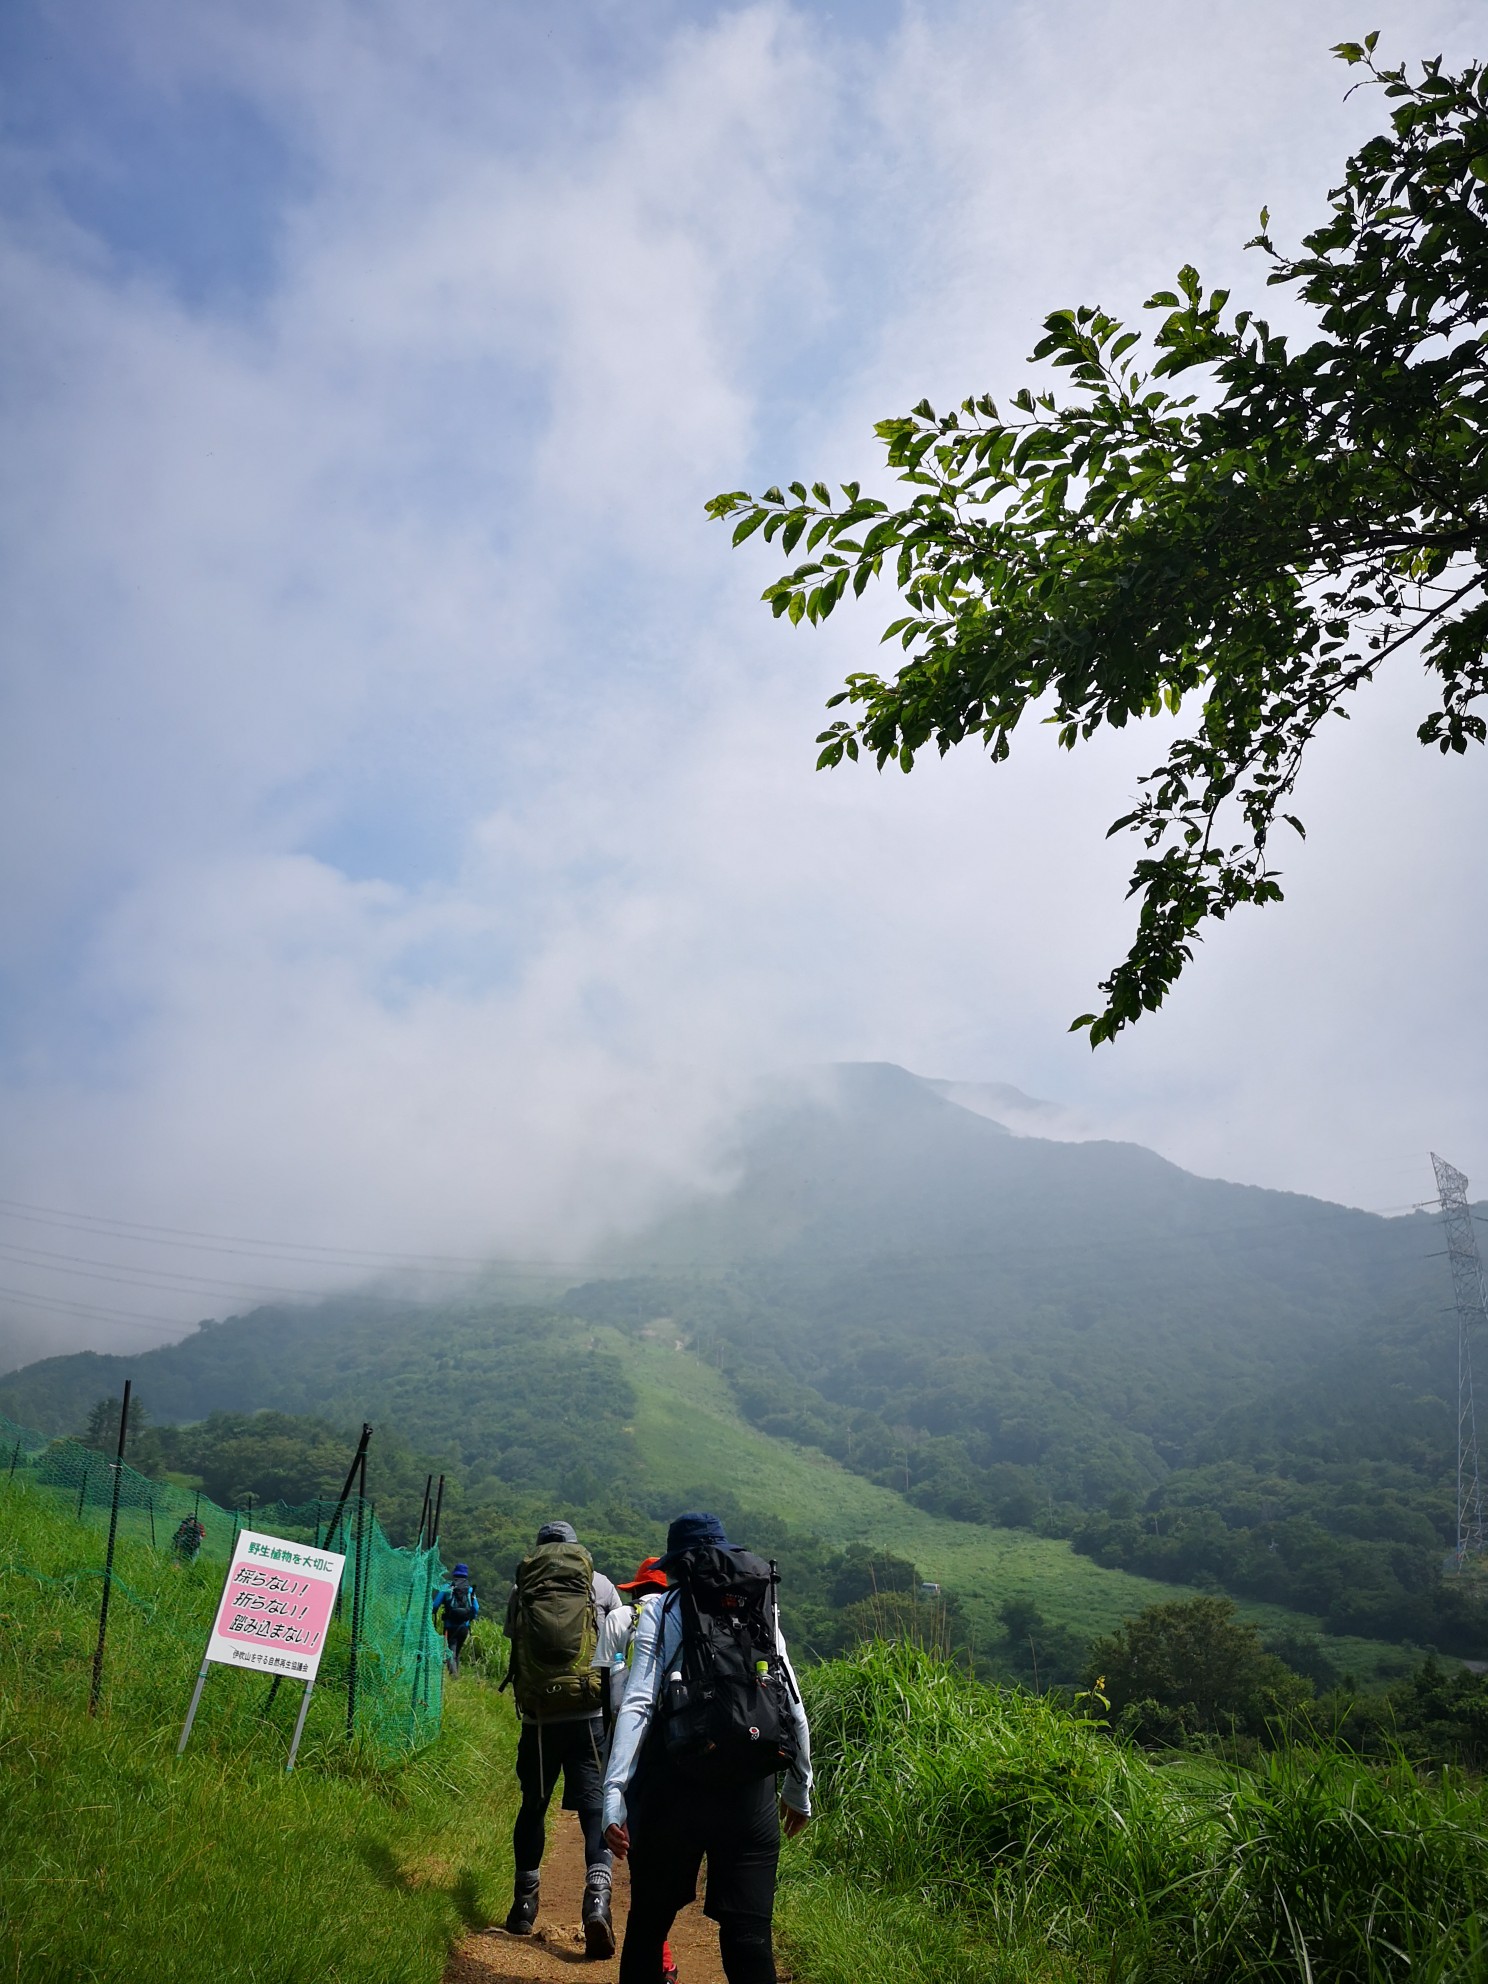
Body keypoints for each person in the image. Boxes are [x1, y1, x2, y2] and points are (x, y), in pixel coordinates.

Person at [604, 1513, 812, 1984]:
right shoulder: (759, 1606)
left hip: (673, 1787)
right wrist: (800, 1788)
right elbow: (792, 1704)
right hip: (751, 1789)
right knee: (749, 1935)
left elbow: (638, 1702)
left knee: (650, 1923)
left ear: (676, 1564)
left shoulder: (663, 1608)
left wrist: (614, 1793)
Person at [503, 1519, 622, 1956]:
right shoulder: (600, 1585)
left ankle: (523, 1904)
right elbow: (613, 1652)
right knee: (594, 1812)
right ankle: (596, 1901)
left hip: (538, 1722)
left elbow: (514, 1643)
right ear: (576, 1549)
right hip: (588, 1715)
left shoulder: (523, 1588)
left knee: (533, 1807)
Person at [597, 1557, 679, 1984]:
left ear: (633, 1590)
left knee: (641, 1860)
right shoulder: (679, 1618)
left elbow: (604, 1688)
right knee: (664, 1862)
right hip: (671, 1749)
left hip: (628, 1744)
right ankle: (663, 1960)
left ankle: (654, 1960)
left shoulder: (619, 1617)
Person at [431, 1562, 480, 1675]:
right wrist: (470, 1618)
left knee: (450, 1651)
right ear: (465, 1575)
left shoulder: (447, 1588)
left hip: (450, 1625)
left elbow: (435, 1605)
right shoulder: (470, 1590)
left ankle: (454, 1676)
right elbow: (476, 1608)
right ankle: (455, 1674)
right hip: (464, 1626)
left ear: (455, 1574)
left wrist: (433, 1614)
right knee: (456, 1652)